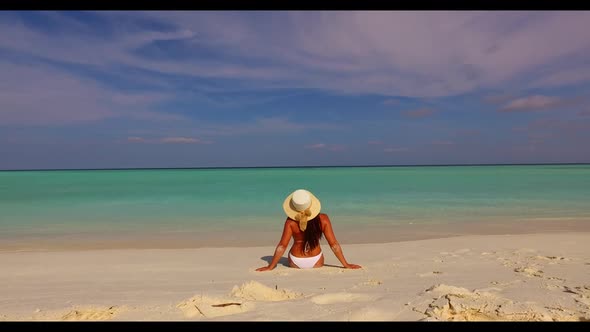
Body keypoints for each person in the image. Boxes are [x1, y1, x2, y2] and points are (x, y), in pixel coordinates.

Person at [256, 189, 362, 271]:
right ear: (311, 204)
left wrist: (271, 266)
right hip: (316, 260)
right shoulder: (323, 219)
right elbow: (333, 244)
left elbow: (282, 246)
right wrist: (346, 264)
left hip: (295, 261)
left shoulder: (291, 222)